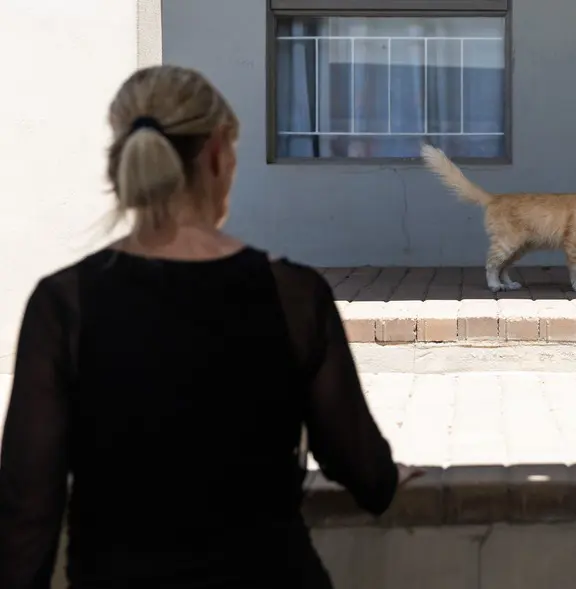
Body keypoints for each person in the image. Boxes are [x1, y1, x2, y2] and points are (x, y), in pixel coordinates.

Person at [0, 64, 420, 589]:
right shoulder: (294, 295)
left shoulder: (63, 306)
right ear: (219, 154)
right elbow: (362, 469)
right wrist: (388, 475)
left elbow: (27, 510)